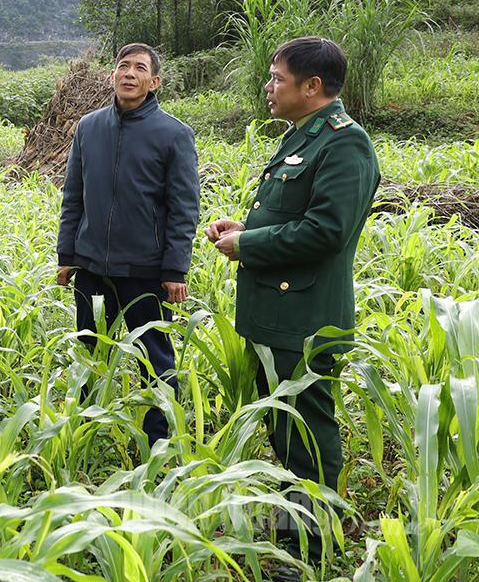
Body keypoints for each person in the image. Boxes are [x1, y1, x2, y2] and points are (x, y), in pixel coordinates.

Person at [205, 36, 379, 568]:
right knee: (284, 430)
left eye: (277, 78)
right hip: (278, 314)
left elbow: (327, 231)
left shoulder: (344, 143)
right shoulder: (301, 136)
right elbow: (293, 213)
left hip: (305, 316)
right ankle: (292, 531)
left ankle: (314, 545)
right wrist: (247, 227)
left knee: (306, 430)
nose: (268, 87)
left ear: (313, 87)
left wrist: (249, 245)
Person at [56, 43, 200, 446]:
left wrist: (175, 270)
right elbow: (74, 196)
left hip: (146, 270)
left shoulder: (174, 134)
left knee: (154, 360)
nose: (129, 73)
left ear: (154, 82)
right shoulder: (88, 127)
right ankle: (84, 432)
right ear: (112, 75)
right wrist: (67, 256)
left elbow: (183, 208)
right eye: (123, 66)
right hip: (92, 269)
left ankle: (158, 442)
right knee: (89, 353)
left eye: (140, 68)